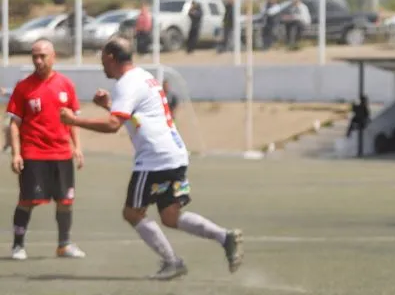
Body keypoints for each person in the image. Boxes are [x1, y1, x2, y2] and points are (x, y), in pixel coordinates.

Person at [60, 37, 244, 280]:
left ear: (111, 58)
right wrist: (109, 105)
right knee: (169, 215)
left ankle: (172, 262)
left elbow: (114, 125)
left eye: (102, 58)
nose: (101, 63)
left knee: (133, 213)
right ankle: (225, 237)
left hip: (154, 159)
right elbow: (137, 117)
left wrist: (74, 121)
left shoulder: (126, 83)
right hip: (174, 154)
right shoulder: (144, 77)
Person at [7, 39, 86, 260]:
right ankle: (18, 245)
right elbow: (14, 123)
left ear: (53, 57)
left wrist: (77, 147)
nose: (38, 61)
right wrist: (16, 153)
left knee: (65, 200)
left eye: (42, 56)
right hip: (34, 153)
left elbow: (72, 121)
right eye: (35, 56)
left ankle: (64, 245)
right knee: (28, 200)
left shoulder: (66, 85)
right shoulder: (23, 87)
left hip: (61, 154)